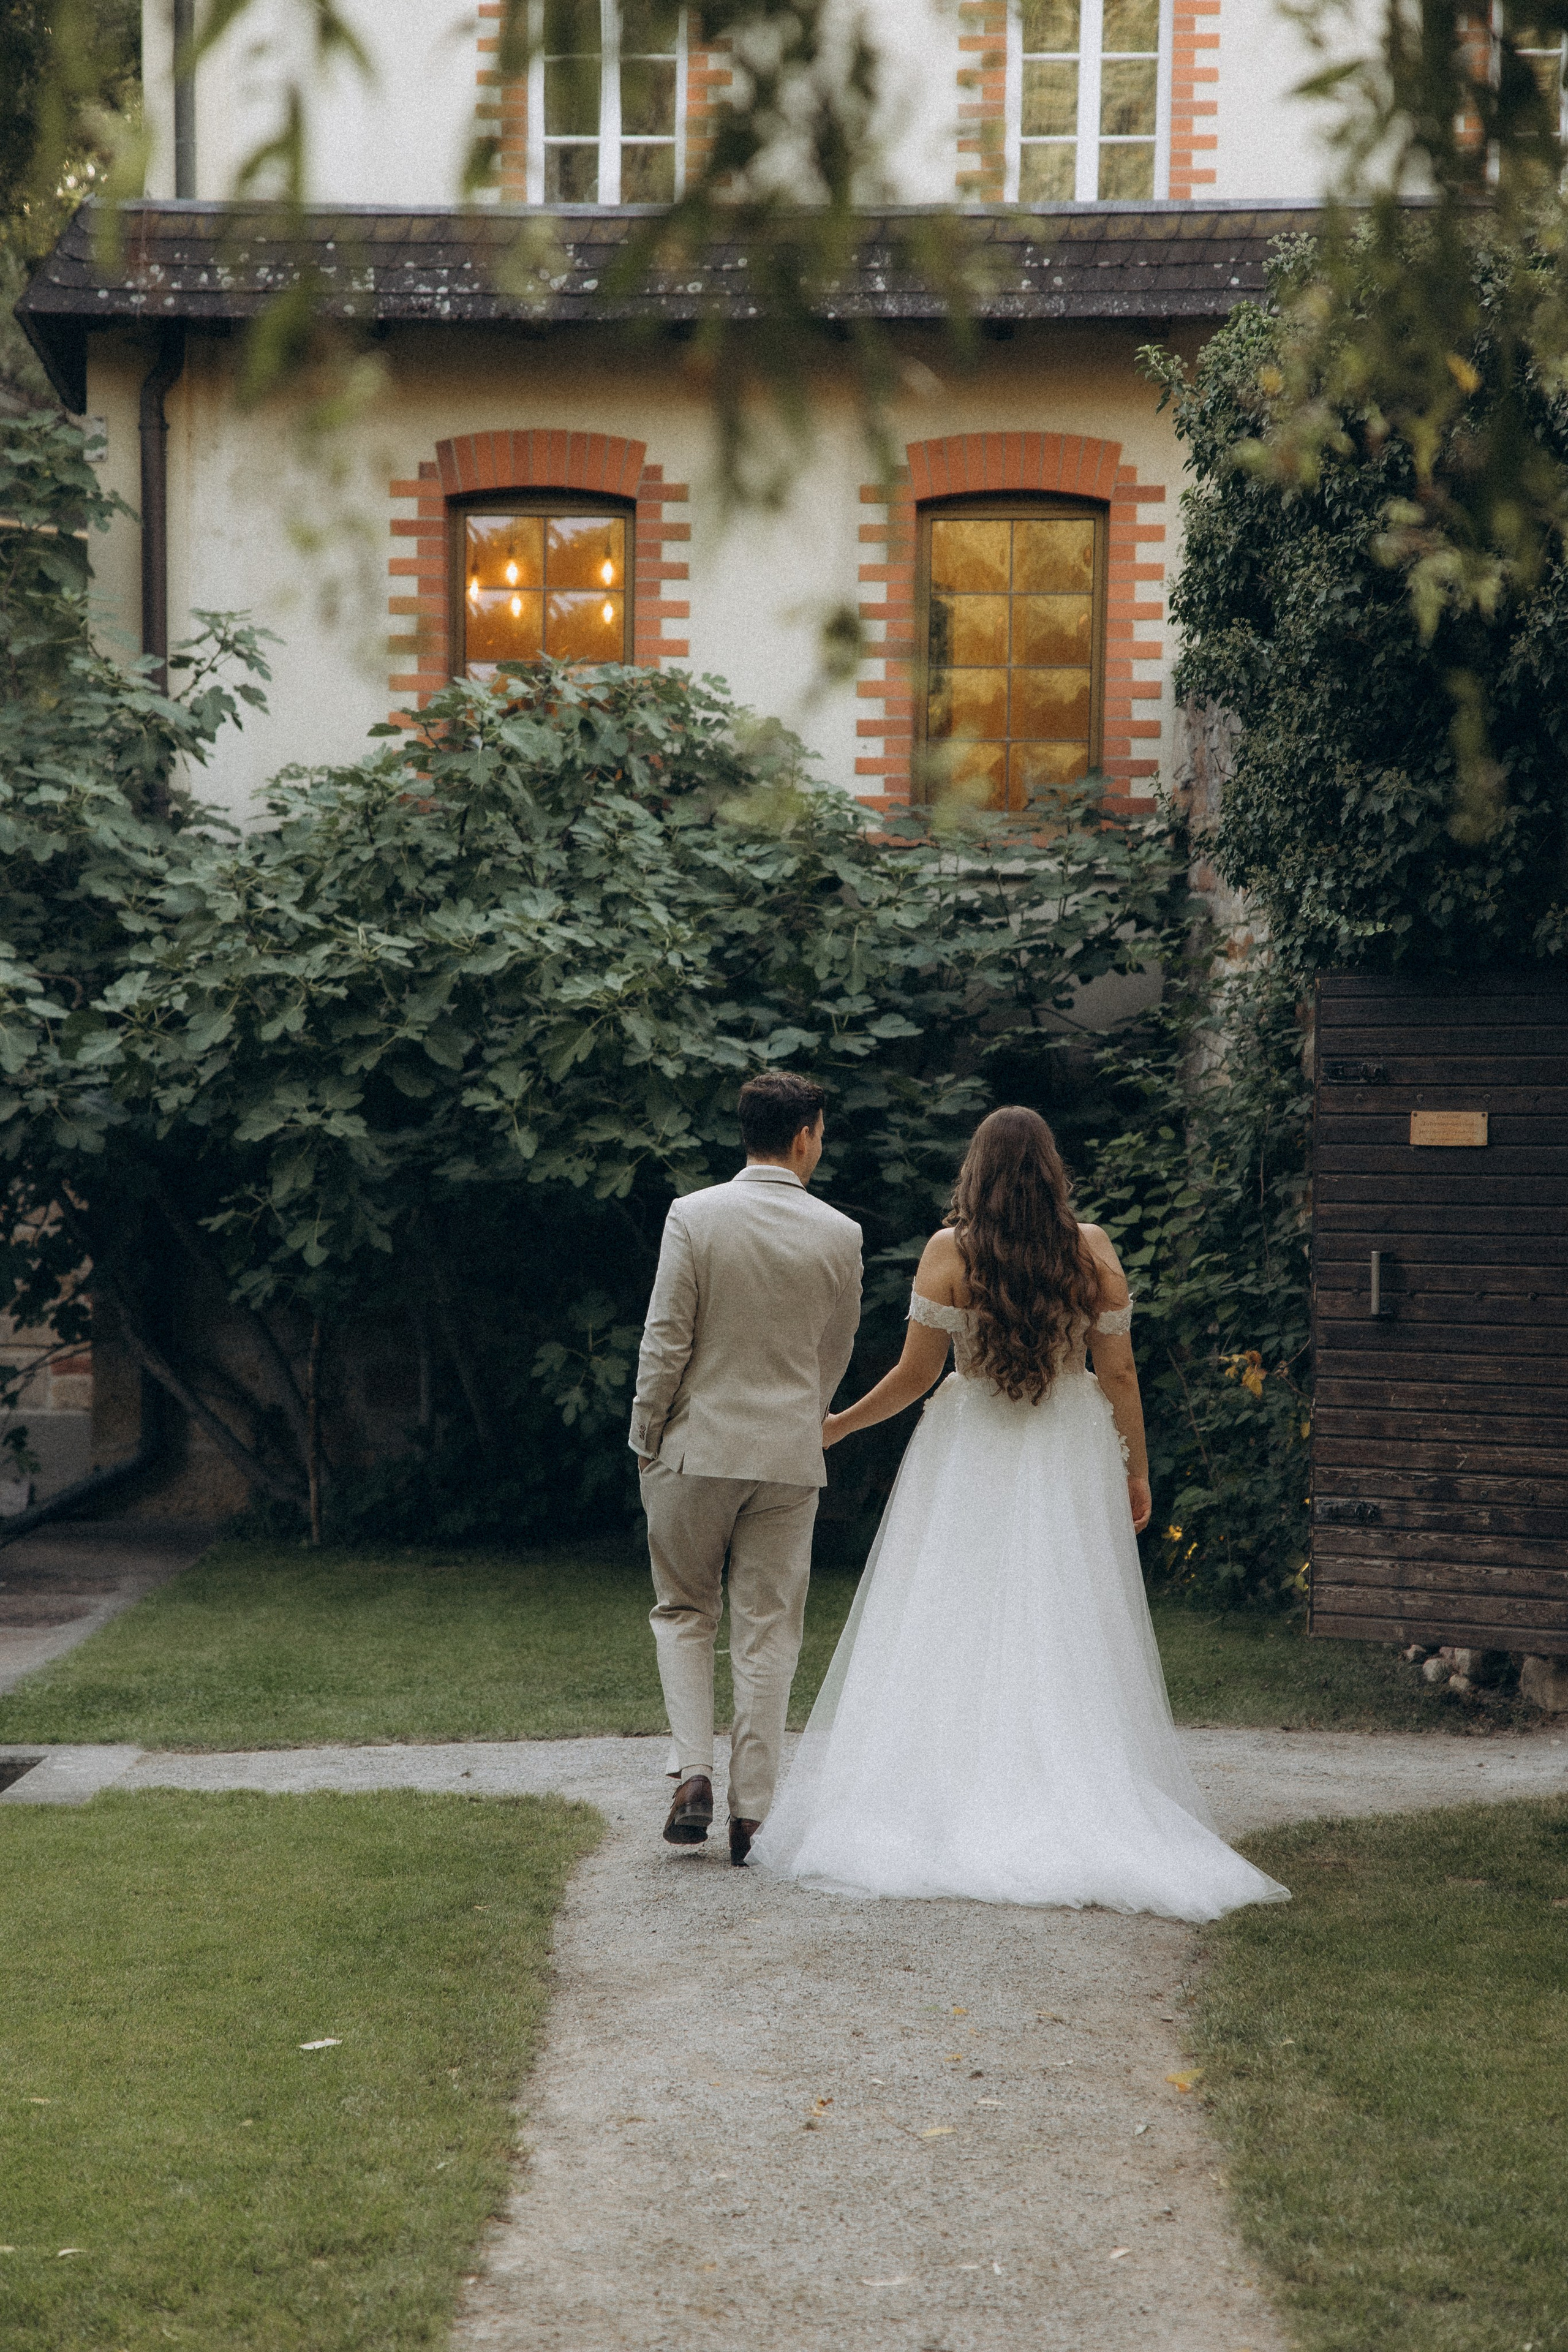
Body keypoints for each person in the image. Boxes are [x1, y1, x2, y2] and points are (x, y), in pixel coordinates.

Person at [748, 1106, 1287, 1921]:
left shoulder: (948, 1252)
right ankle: (1068, 1784)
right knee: (1066, 1616)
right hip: (1070, 1448)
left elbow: (915, 1375)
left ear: (978, 1170)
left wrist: (840, 1423)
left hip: (972, 1450)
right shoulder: (1093, 1250)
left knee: (951, 1614)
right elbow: (1121, 1376)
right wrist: (1135, 1470)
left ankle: (952, 1788)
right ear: (1050, 1170)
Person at [629, 1071, 863, 1864]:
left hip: (696, 1446)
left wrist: (645, 1431)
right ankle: (752, 1815)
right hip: (789, 1457)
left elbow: (667, 1338)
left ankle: (694, 1774)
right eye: (821, 1134)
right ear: (804, 1136)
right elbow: (836, 1351)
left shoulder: (694, 1217)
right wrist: (806, 1420)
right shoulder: (841, 1233)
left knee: (684, 1611)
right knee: (768, 1634)